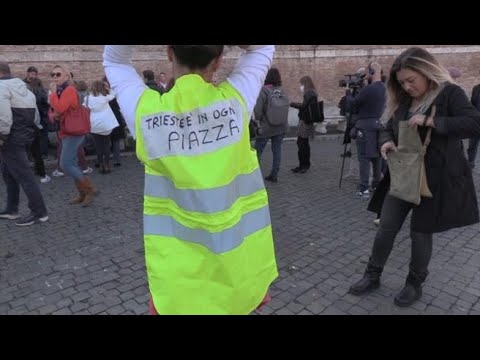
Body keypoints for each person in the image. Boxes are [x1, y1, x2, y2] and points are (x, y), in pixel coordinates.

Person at [104, 45, 278, 315]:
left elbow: (114, 61)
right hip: (238, 272)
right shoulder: (236, 103)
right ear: (219, 60)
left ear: (169, 53)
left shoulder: (146, 114)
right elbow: (262, 48)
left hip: (179, 280)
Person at [349, 47, 480, 307]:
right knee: (386, 226)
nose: (407, 87)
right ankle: (372, 275)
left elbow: (474, 123)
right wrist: (386, 142)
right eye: (402, 82)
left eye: (411, 80)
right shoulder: (404, 100)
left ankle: (414, 283)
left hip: (436, 178)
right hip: (404, 174)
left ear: (426, 71)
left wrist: (432, 122)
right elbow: (387, 127)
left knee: (420, 233)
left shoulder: (449, 93)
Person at [0, 61, 49, 226]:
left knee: (24, 175)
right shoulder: (23, 88)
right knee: (8, 172)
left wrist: (2, 136)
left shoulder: (1, 87)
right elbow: (35, 115)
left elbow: (4, 116)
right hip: (24, 135)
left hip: (9, 138)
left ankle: (39, 212)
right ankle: (11, 209)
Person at [48, 65, 97, 207]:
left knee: (65, 163)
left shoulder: (68, 90)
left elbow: (59, 108)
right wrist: (54, 111)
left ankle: (90, 189)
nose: (55, 77)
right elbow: (52, 112)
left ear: (66, 77)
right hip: (66, 131)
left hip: (74, 131)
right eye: (53, 74)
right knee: (73, 163)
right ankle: (82, 193)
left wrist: (52, 95)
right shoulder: (59, 92)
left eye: (58, 74)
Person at [346, 62, 386, 199]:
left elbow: (353, 104)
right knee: (377, 157)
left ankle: (364, 188)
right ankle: (376, 184)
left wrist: (347, 92)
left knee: (364, 158)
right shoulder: (383, 88)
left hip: (365, 127)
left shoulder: (369, 89)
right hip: (377, 125)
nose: (365, 76)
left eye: (368, 73)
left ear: (372, 72)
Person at [253, 68, 289, 183]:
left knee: (257, 151)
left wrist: (257, 121)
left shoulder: (263, 91)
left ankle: (254, 177)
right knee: (277, 150)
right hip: (281, 127)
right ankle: (274, 174)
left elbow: (258, 111)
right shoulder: (282, 90)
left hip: (266, 127)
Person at [290, 76, 318, 174]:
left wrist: (292, 104)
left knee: (301, 143)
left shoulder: (308, 93)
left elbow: (303, 106)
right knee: (304, 143)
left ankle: (303, 165)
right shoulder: (313, 91)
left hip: (305, 121)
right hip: (308, 121)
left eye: (301, 84)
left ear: (305, 84)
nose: (300, 86)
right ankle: (305, 165)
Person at [467, 81, 480, 168]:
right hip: (476, 123)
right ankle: (470, 163)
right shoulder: (476, 88)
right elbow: (472, 105)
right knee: (472, 145)